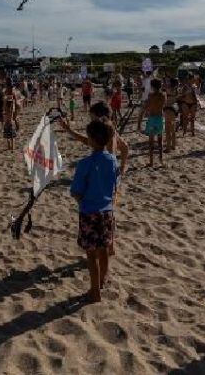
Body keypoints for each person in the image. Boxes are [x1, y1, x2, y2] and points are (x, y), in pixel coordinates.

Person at [70, 119, 119, 303]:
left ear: (91, 139)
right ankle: (102, 281)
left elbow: (76, 191)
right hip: (107, 211)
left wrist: (82, 201)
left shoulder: (85, 163)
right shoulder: (113, 160)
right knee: (104, 249)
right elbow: (115, 185)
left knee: (91, 254)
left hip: (89, 211)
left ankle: (95, 291)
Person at [144, 79, 166, 167]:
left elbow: (147, 107)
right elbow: (163, 105)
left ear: (152, 86)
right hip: (160, 118)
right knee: (160, 141)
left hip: (152, 119)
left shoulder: (150, 95)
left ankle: (151, 161)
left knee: (151, 142)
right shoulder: (163, 95)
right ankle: (161, 160)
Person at [3, 84, 17, 150]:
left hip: (6, 121)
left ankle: (9, 146)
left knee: (7, 136)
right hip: (11, 121)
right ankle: (13, 147)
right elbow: (13, 103)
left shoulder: (5, 108)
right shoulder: (12, 108)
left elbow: (5, 103)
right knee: (12, 136)